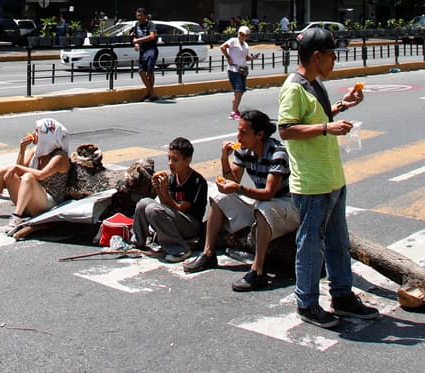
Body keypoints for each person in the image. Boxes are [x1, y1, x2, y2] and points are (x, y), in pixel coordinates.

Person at [278, 26, 380, 329]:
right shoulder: (294, 87)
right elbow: (286, 129)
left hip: (332, 178)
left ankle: (342, 296)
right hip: (312, 183)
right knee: (312, 245)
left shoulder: (315, 84)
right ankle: (306, 303)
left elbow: (318, 117)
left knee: (338, 242)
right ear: (317, 56)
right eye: (332, 55)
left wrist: (342, 106)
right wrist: (326, 129)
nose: (335, 61)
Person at [184, 110, 300, 292]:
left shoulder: (277, 154)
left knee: (264, 207)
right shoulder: (245, 150)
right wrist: (225, 159)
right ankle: (208, 253)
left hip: (286, 205)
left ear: (259, 134)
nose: (238, 137)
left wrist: (237, 188)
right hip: (262, 201)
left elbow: (268, 193)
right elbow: (233, 180)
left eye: (243, 132)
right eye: (238, 131)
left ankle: (258, 270)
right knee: (219, 197)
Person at [0, 118, 71, 233]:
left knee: (28, 177)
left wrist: (18, 168)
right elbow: (18, 172)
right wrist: (22, 150)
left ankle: (16, 216)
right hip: (30, 200)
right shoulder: (36, 151)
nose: (34, 134)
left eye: (38, 132)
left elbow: (41, 175)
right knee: (4, 170)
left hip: (48, 204)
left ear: (48, 137)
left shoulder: (60, 157)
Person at [131, 137, 207, 262]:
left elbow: (181, 209)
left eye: (175, 160)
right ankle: (138, 241)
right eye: (169, 159)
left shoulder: (196, 181)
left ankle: (179, 249)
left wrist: (164, 192)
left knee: (152, 209)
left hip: (190, 224)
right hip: (175, 217)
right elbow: (165, 204)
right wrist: (159, 189)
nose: (170, 163)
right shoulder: (172, 178)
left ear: (187, 160)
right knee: (143, 203)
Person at [220, 25, 260, 119]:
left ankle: (235, 109)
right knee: (238, 90)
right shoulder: (233, 41)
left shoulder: (245, 45)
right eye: (240, 34)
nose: (241, 36)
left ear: (247, 36)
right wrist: (228, 57)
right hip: (234, 70)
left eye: (244, 35)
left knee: (240, 91)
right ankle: (233, 112)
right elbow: (222, 47)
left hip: (242, 70)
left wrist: (253, 57)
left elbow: (245, 58)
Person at [131, 7, 159, 99]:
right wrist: (136, 44)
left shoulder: (150, 24)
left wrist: (138, 40)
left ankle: (150, 93)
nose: (139, 17)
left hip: (151, 50)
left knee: (150, 72)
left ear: (145, 16)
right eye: (137, 16)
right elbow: (134, 36)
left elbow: (152, 36)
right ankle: (151, 92)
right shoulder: (136, 25)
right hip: (142, 51)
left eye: (141, 16)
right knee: (141, 71)